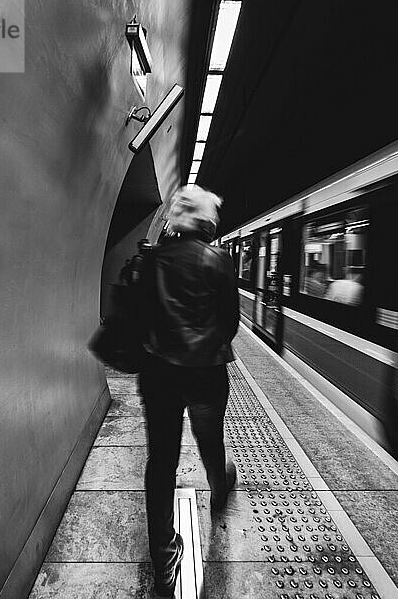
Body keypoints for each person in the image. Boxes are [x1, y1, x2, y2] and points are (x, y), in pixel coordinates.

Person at [137, 185, 239, 597]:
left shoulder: (154, 260)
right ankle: (218, 489)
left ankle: (164, 560)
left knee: (162, 459)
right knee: (210, 440)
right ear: (207, 220)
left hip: (159, 374)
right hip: (206, 374)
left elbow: (141, 318)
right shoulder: (218, 261)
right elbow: (229, 323)